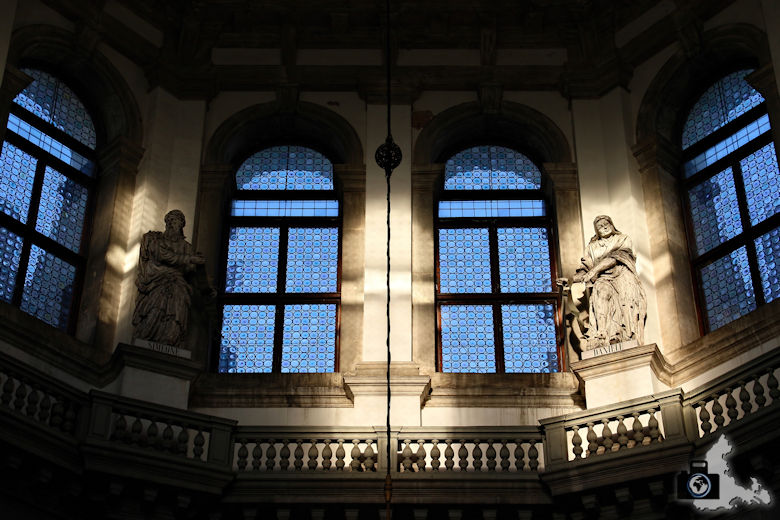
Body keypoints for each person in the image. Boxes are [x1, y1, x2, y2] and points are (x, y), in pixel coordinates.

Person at [132, 210, 205, 346]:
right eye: (169, 220)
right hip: (157, 282)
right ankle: (147, 336)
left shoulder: (187, 247)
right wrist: (190, 259)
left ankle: (170, 340)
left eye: (175, 220)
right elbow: (162, 255)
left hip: (179, 284)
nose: (171, 223)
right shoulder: (156, 239)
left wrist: (199, 270)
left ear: (181, 224)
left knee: (177, 309)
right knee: (155, 308)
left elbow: (190, 272)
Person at [573, 215, 646, 348]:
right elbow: (584, 267)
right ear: (596, 230)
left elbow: (616, 257)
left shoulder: (623, 239)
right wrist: (574, 279)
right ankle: (602, 333)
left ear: (612, 225)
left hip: (622, 274)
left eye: (606, 224)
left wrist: (594, 271)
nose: (604, 227)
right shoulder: (592, 247)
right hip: (603, 278)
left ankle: (624, 334)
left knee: (625, 300)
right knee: (601, 292)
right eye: (600, 226)